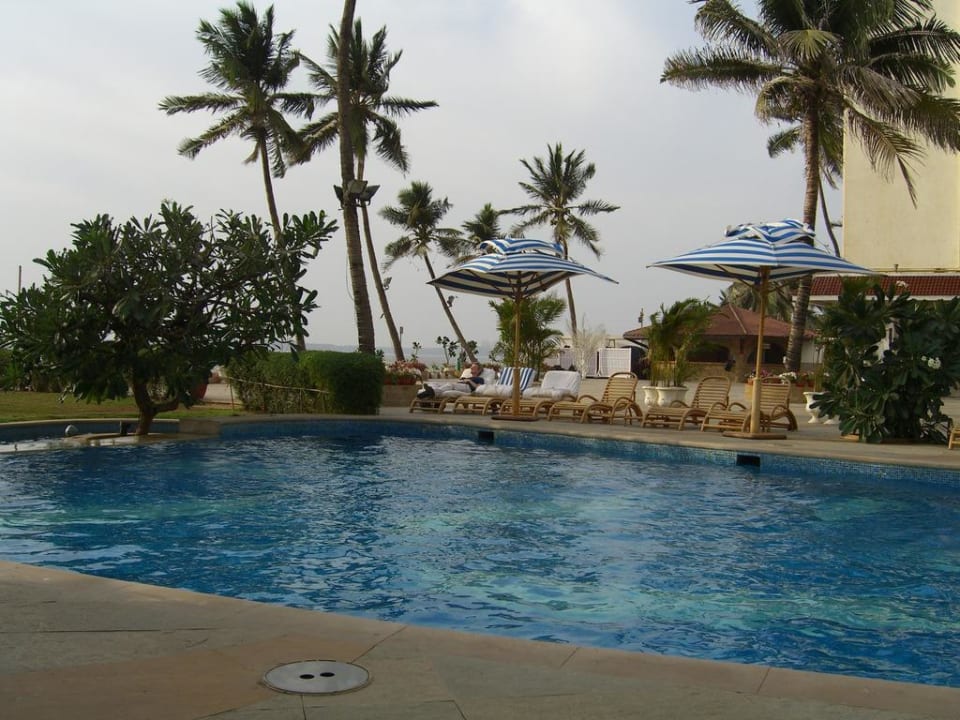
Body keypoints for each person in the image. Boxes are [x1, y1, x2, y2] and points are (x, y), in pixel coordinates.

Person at [417, 362, 486, 399]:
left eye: (473, 367)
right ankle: (429, 392)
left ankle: (431, 392)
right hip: (459, 386)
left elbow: (478, 388)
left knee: (450, 384)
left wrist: (469, 381)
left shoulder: (480, 379)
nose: (471, 368)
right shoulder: (467, 377)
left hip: (467, 388)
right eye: (471, 367)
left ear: (478, 370)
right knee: (435, 383)